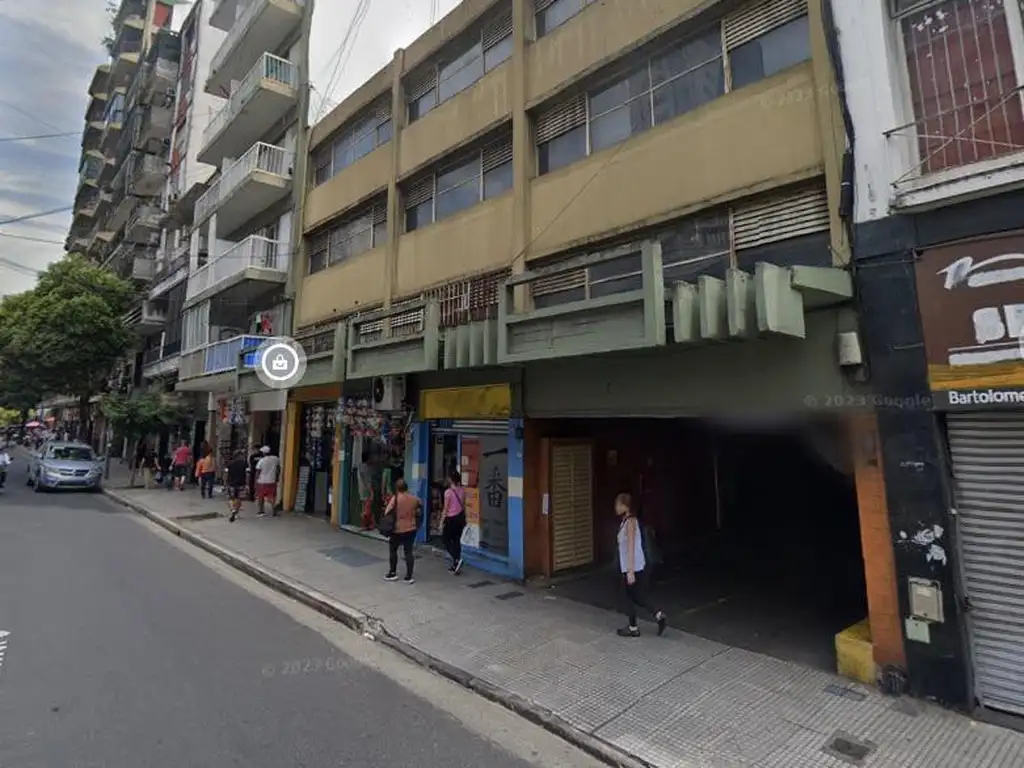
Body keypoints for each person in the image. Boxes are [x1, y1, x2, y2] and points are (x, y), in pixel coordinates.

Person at [614, 492, 667, 638]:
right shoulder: (625, 522)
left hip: (633, 566)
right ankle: (658, 615)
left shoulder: (631, 522)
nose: (616, 508)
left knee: (629, 596)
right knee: (637, 596)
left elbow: (631, 546)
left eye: (618, 505)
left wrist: (630, 571)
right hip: (630, 565)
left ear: (625, 506)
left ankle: (633, 628)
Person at [383, 478, 421, 584]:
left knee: (393, 550)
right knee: (408, 552)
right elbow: (419, 508)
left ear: (397, 488)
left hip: (397, 529)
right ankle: (409, 576)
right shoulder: (414, 498)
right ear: (406, 487)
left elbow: (387, 512)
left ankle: (393, 572)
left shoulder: (395, 499)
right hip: (411, 528)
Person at [442, 471, 467, 574]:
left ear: (451, 480)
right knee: (456, 540)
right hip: (460, 518)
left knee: (445, 540)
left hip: (451, 519)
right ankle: (456, 563)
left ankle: (456, 559)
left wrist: (441, 522)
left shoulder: (448, 492)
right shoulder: (462, 490)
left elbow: (445, 509)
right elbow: (463, 505)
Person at [254, 446, 280, 517]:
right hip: (272, 480)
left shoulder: (261, 461)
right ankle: (274, 509)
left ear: (263, 453)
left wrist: (255, 481)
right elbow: (278, 469)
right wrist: (277, 477)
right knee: (272, 496)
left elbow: (257, 472)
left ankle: (261, 511)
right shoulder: (276, 459)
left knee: (261, 496)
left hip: (262, 481)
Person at [225, 449, 248, 522]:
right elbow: (247, 473)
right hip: (241, 483)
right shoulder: (244, 463)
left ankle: (232, 510)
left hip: (231, 483)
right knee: (238, 498)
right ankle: (236, 512)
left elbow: (226, 473)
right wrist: (247, 484)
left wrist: (225, 483)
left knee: (230, 498)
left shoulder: (230, 463)